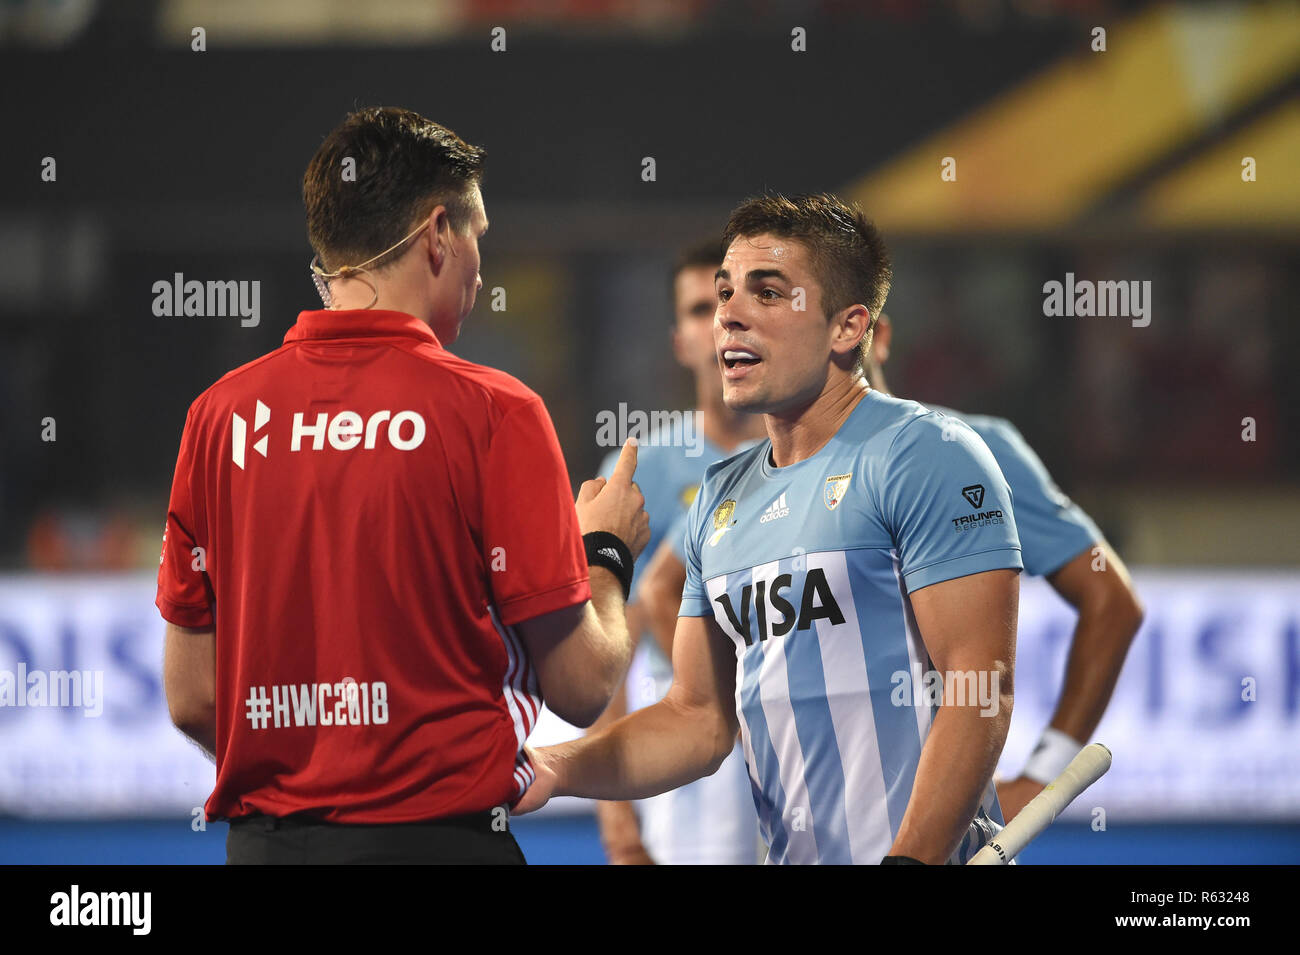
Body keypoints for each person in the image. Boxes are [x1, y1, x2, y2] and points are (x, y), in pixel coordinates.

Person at [157, 106, 648, 864]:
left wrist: (319, 772)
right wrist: (606, 549)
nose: (482, 268)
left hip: (267, 850)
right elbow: (582, 687)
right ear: (437, 235)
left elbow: (192, 699)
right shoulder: (496, 411)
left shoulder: (217, 417)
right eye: (479, 238)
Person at [518, 193, 1023, 865]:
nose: (728, 313)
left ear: (848, 328)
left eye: (766, 292)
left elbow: (978, 685)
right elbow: (696, 719)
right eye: (725, 292)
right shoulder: (719, 498)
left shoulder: (927, 454)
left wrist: (912, 860)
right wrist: (553, 765)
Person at [637, 311, 1145, 825]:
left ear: (868, 334)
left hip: (931, 830)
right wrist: (748, 725)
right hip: (796, 820)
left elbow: (1111, 602)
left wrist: (1042, 776)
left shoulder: (964, 451)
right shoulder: (760, 470)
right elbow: (663, 587)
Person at [590, 239, 767, 865]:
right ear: (681, 341)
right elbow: (613, 648)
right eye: (700, 308)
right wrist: (619, 825)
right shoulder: (640, 471)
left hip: (810, 734)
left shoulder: (820, 459)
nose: (720, 320)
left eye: (734, 300)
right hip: (695, 758)